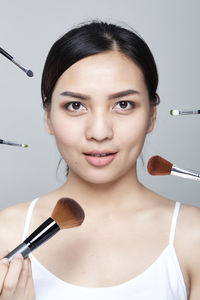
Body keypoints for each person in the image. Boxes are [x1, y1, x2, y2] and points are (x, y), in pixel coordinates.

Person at [0, 20, 199, 300]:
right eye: (76, 106)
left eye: (123, 104)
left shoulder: (193, 236)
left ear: (152, 115)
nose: (99, 132)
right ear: (48, 116)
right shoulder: (4, 233)